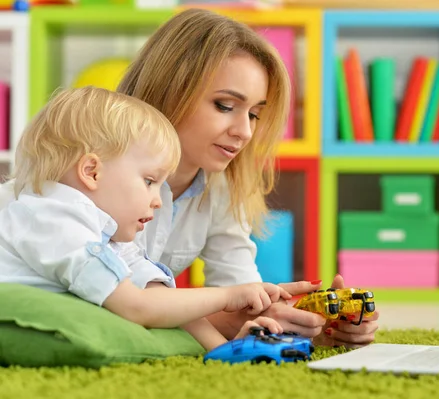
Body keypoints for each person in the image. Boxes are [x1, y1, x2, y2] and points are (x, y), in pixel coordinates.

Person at [115, 8, 379, 347]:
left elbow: (240, 287)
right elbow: (121, 295)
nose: (244, 132)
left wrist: (308, 324)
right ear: (168, 90)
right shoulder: (106, 177)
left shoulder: (221, 184)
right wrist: (230, 313)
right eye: (225, 106)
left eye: (254, 114)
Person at [0, 86, 289, 351]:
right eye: (149, 181)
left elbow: (160, 298)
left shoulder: (106, 234)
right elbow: (137, 306)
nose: (158, 199)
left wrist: (227, 349)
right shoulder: (52, 218)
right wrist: (227, 297)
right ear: (91, 172)